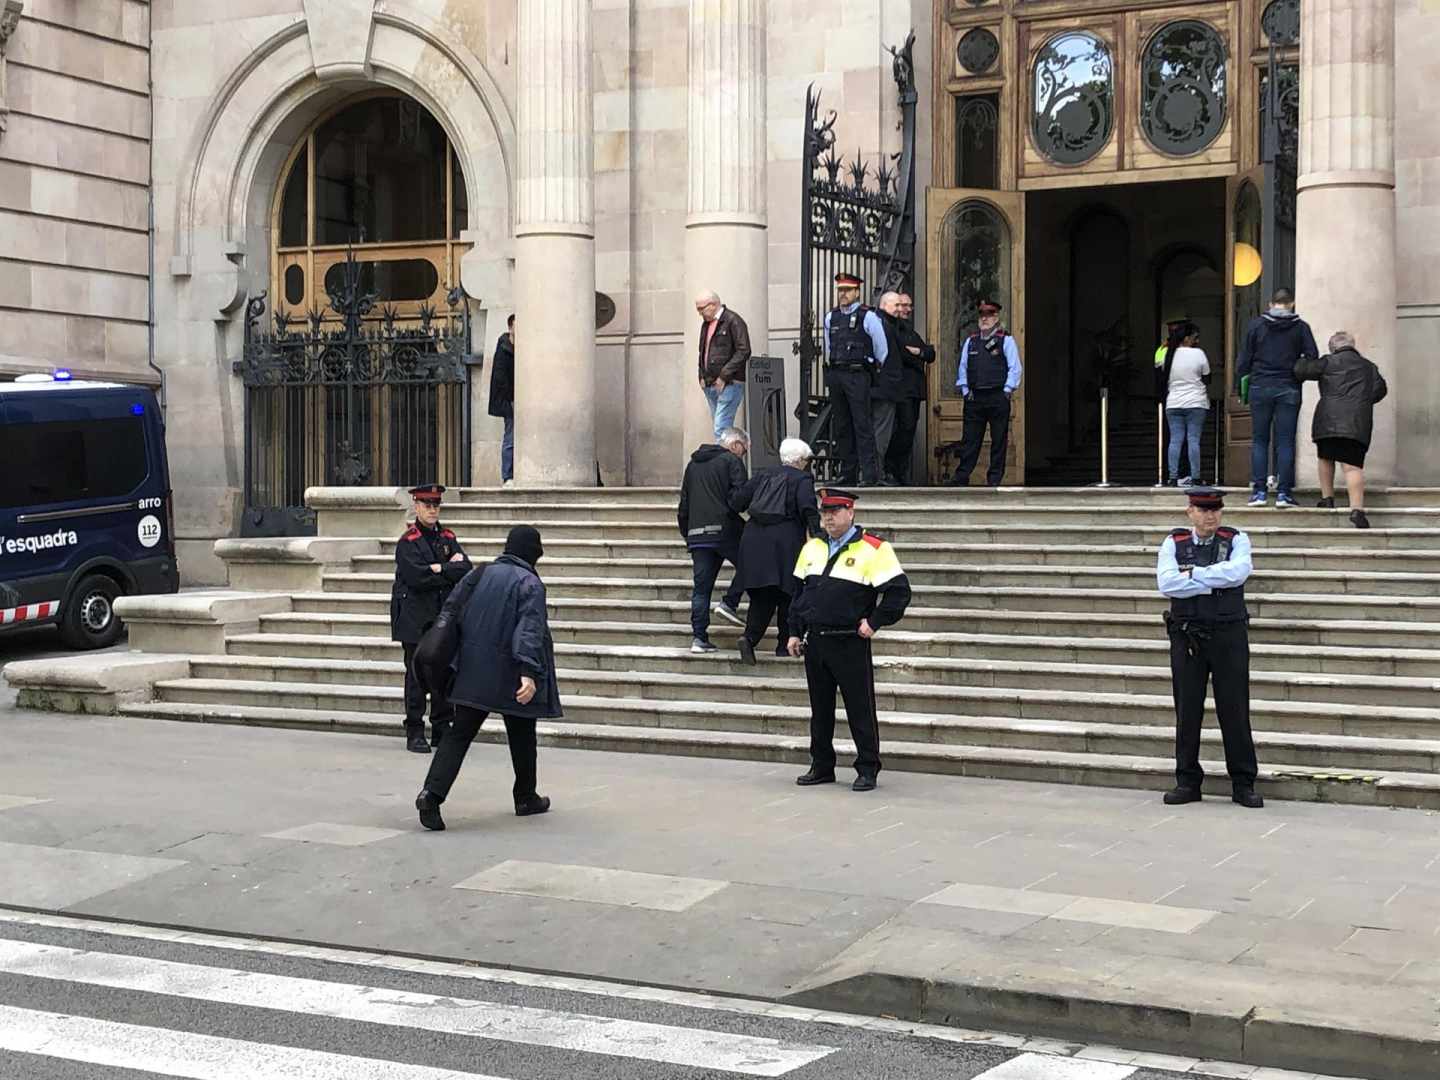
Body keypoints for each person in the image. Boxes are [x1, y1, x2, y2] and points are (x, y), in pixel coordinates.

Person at [415, 525, 557, 831]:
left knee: (459, 734)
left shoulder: (479, 573)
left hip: (473, 669)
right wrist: (529, 672)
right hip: (510, 673)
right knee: (522, 732)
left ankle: (431, 795)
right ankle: (525, 796)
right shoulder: (529, 582)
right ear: (533, 552)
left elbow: (451, 610)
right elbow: (529, 630)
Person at [788, 488, 912, 791]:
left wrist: (875, 622)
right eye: (824, 512)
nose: (828, 517)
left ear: (850, 512)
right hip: (815, 639)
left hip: (849, 640)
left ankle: (867, 767)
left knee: (860, 707)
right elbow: (798, 594)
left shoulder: (873, 548)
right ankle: (821, 765)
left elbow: (899, 592)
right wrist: (792, 630)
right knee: (820, 708)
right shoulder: (813, 546)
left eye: (834, 511)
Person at [1156, 487, 1262, 809]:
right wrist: (1214, 579)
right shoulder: (1173, 542)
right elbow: (1167, 583)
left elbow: (1239, 572)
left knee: (1235, 709)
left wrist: (1194, 575)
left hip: (1228, 634)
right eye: (1203, 510)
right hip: (1188, 637)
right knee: (1187, 710)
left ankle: (1243, 783)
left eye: (1215, 509)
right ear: (1190, 512)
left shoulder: (1236, 539)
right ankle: (1187, 780)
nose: (1210, 515)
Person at [389, 484, 472, 754]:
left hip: (442, 619)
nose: (433, 509)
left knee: (444, 674)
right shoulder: (408, 542)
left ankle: (441, 728)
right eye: (427, 505)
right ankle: (414, 730)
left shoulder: (447, 537)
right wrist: (446, 568)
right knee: (416, 676)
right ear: (416, 506)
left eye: (436, 505)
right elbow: (417, 577)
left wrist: (439, 568)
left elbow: (465, 569)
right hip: (415, 620)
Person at [730, 437, 821, 665]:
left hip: (754, 540)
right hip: (786, 541)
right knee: (789, 592)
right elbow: (808, 509)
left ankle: (749, 638)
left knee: (762, 595)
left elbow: (738, 501)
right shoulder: (802, 479)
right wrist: (818, 537)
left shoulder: (762, 475)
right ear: (800, 460)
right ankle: (783, 644)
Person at [1235, 287, 1319, 508]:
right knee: (1285, 442)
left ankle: (1259, 492)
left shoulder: (1255, 326)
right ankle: (1284, 493)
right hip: (1289, 388)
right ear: (1291, 304)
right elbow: (1313, 357)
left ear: (1270, 304)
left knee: (1260, 440)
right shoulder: (1301, 327)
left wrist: (1242, 382)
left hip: (1260, 386)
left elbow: (1243, 360)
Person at [1296, 330, 1388, 529]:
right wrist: (1361, 402)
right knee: (1352, 466)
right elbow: (1380, 390)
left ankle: (1327, 499)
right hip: (1357, 422)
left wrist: (1303, 357)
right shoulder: (1369, 367)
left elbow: (1301, 371)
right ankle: (1357, 510)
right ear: (1352, 346)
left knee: (1325, 457)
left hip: (1327, 418)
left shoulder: (1328, 362)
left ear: (1333, 347)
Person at [677, 427, 749, 652]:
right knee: (753, 563)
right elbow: (739, 499)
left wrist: (687, 533)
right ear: (736, 445)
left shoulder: (693, 465)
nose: (743, 455)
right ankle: (730, 602)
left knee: (701, 589)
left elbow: (684, 505)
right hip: (725, 529)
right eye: (744, 450)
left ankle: (699, 637)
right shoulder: (731, 461)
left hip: (698, 535)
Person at [823, 273, 889, 486]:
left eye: (847, 290)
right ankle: (847, 472)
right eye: (840, 290)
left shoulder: (867, 316)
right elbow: (828, 346)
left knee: (862, 424)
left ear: (857, 292)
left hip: (857, 374)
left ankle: (869, 474)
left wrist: (869, 366)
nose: (843, 294)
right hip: (837, 373)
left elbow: (882, 349)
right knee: (842, 425)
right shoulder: (831, 317)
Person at [949, 298, 1022, 487]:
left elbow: (1015, 368)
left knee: (999, 439)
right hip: (975, 397)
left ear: (996, 317)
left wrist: (1007, 390)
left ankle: (994, 479)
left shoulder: (1006, 340)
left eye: (989, 315)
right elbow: (963, 367)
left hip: (997, 396)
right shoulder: (971, 341)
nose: (985, 319)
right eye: (982, 315)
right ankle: (962, 476)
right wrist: (965, 390)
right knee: (970, 440)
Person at [884, 292, 935, 485]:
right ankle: (890, 470)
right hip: (899, 389)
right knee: (901, 430)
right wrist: (917, 355)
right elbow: (901, 355)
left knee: (909, 431)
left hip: (914, 390)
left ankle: (899, 472)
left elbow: (930, 353)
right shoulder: (891, 328)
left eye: (908, 305)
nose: (905, 309)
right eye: (901, 305)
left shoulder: (911, 332)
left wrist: (919, 352)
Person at [1155, 320, 1211, 486]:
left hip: (1173, 403)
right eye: (1195, 337)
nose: (1197, 341)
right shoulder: (1198, 354)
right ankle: (1195, 476)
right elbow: (1207, 377)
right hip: (1195, 402)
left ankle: (1172, 477)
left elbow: (1159, 372)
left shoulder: (1166, 353)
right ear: (1187, 338)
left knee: (1175, 440)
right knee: (1193, 440)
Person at [695, 290, 753, 439]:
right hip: (710, 383)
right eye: (698, 309)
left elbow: (744, 350)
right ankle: (727, 458)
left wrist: (723, 376)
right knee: (721, 428)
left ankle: (722, 461)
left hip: (729, 383)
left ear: (713, 304)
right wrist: (701, 375)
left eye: (702, 308)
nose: (700, 313)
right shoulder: (706, 324)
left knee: (721, 428)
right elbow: (703, 351)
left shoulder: (733, 320)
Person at [870, 292, 907, 485]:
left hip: (881, 388)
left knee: (880, 431)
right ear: (884, 305)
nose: (900, 309)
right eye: (896, 305)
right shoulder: (883, 325)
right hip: (884, 389)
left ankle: (875, 471)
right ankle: (877, 473)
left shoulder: (886, 324)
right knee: (881, 433)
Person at [488, 315, 516, 486]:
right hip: (511, 400)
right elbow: (500, 377)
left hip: (524, 399)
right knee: (510, 437)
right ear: (511, 328)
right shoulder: (504, 347)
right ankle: (508, 476)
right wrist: (510, 398)